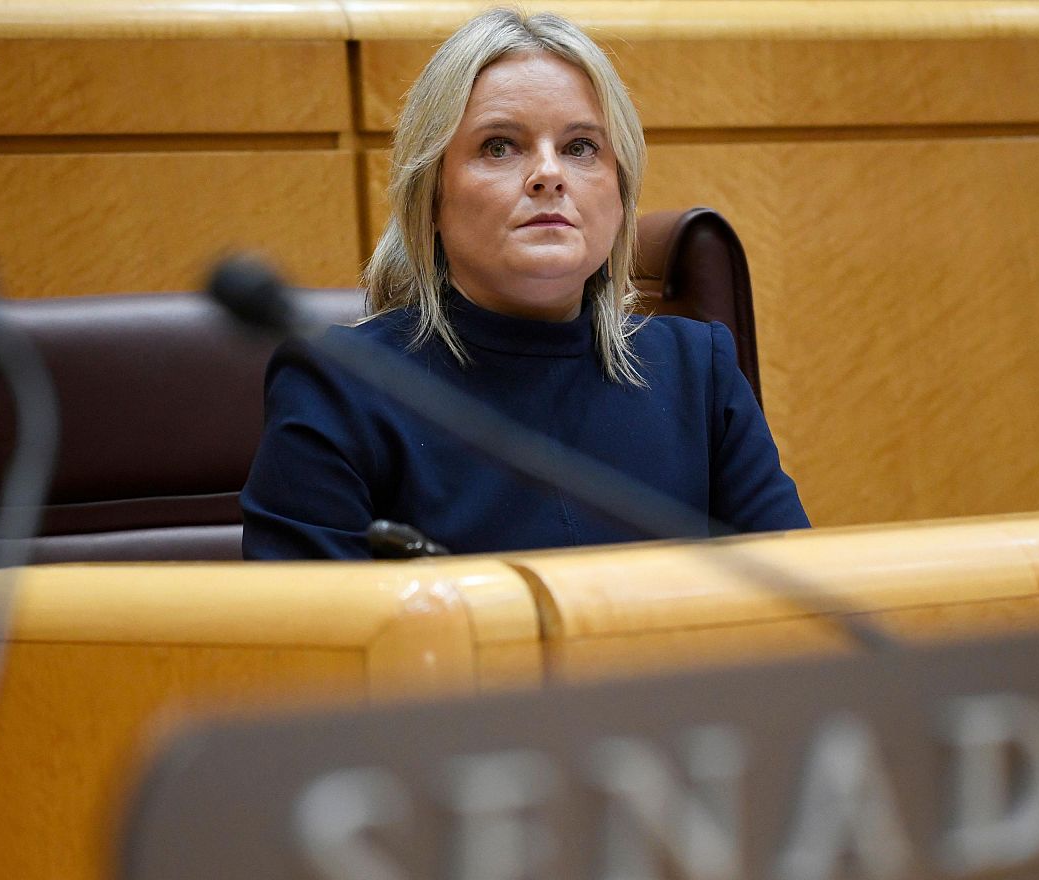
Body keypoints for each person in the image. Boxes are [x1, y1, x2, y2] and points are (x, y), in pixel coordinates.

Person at [241, 8, 808, 560]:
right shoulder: (339, 386)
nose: (549, 174)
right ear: (430, 197)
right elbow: (319, 645)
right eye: (499, 146)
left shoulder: (697, 373)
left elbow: (803, 617)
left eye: (580, 147)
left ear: (621, 193)